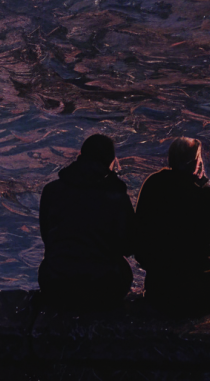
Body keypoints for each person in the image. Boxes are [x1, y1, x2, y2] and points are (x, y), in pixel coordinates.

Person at [133, 136, 210, 318]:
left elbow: (139, 239)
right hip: (206, 294)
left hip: (160, 292)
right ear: (197, 163)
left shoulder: (152, 186)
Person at [36, 131, 138, 310]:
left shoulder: (52, 190)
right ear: (110, 162)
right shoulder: (116, 196)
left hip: (54, 282)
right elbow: (128, 246)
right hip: (103, 285)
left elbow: (47, 237)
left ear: (80, 157)